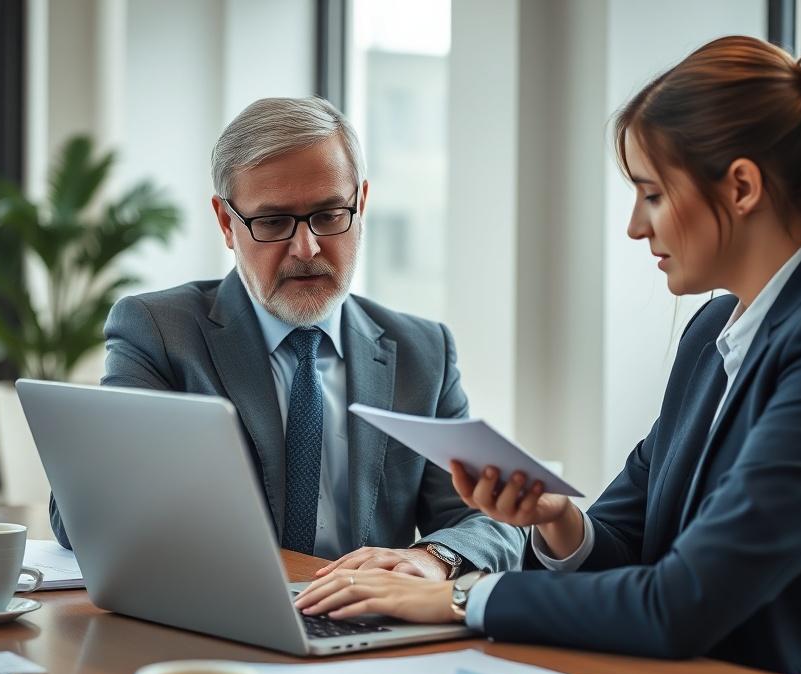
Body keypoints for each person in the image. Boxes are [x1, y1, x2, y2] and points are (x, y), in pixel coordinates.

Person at [294, 37, 801, 674]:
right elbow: (635, 547)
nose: (634, 227)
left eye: (651, 194)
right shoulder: (713, 335)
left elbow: (681, 604)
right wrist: (559, 521)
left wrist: (457, 597)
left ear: (742, 186)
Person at [49, 96, 525, 579]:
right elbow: (82, 518)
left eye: (329, 214)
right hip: (218, 617)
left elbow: (489, 516)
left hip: (364, 628)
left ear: (361, 204)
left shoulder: (423, 351)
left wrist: (431, 557)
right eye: (273, 222)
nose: (306, 248)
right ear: (226, 223)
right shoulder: (159, 332)